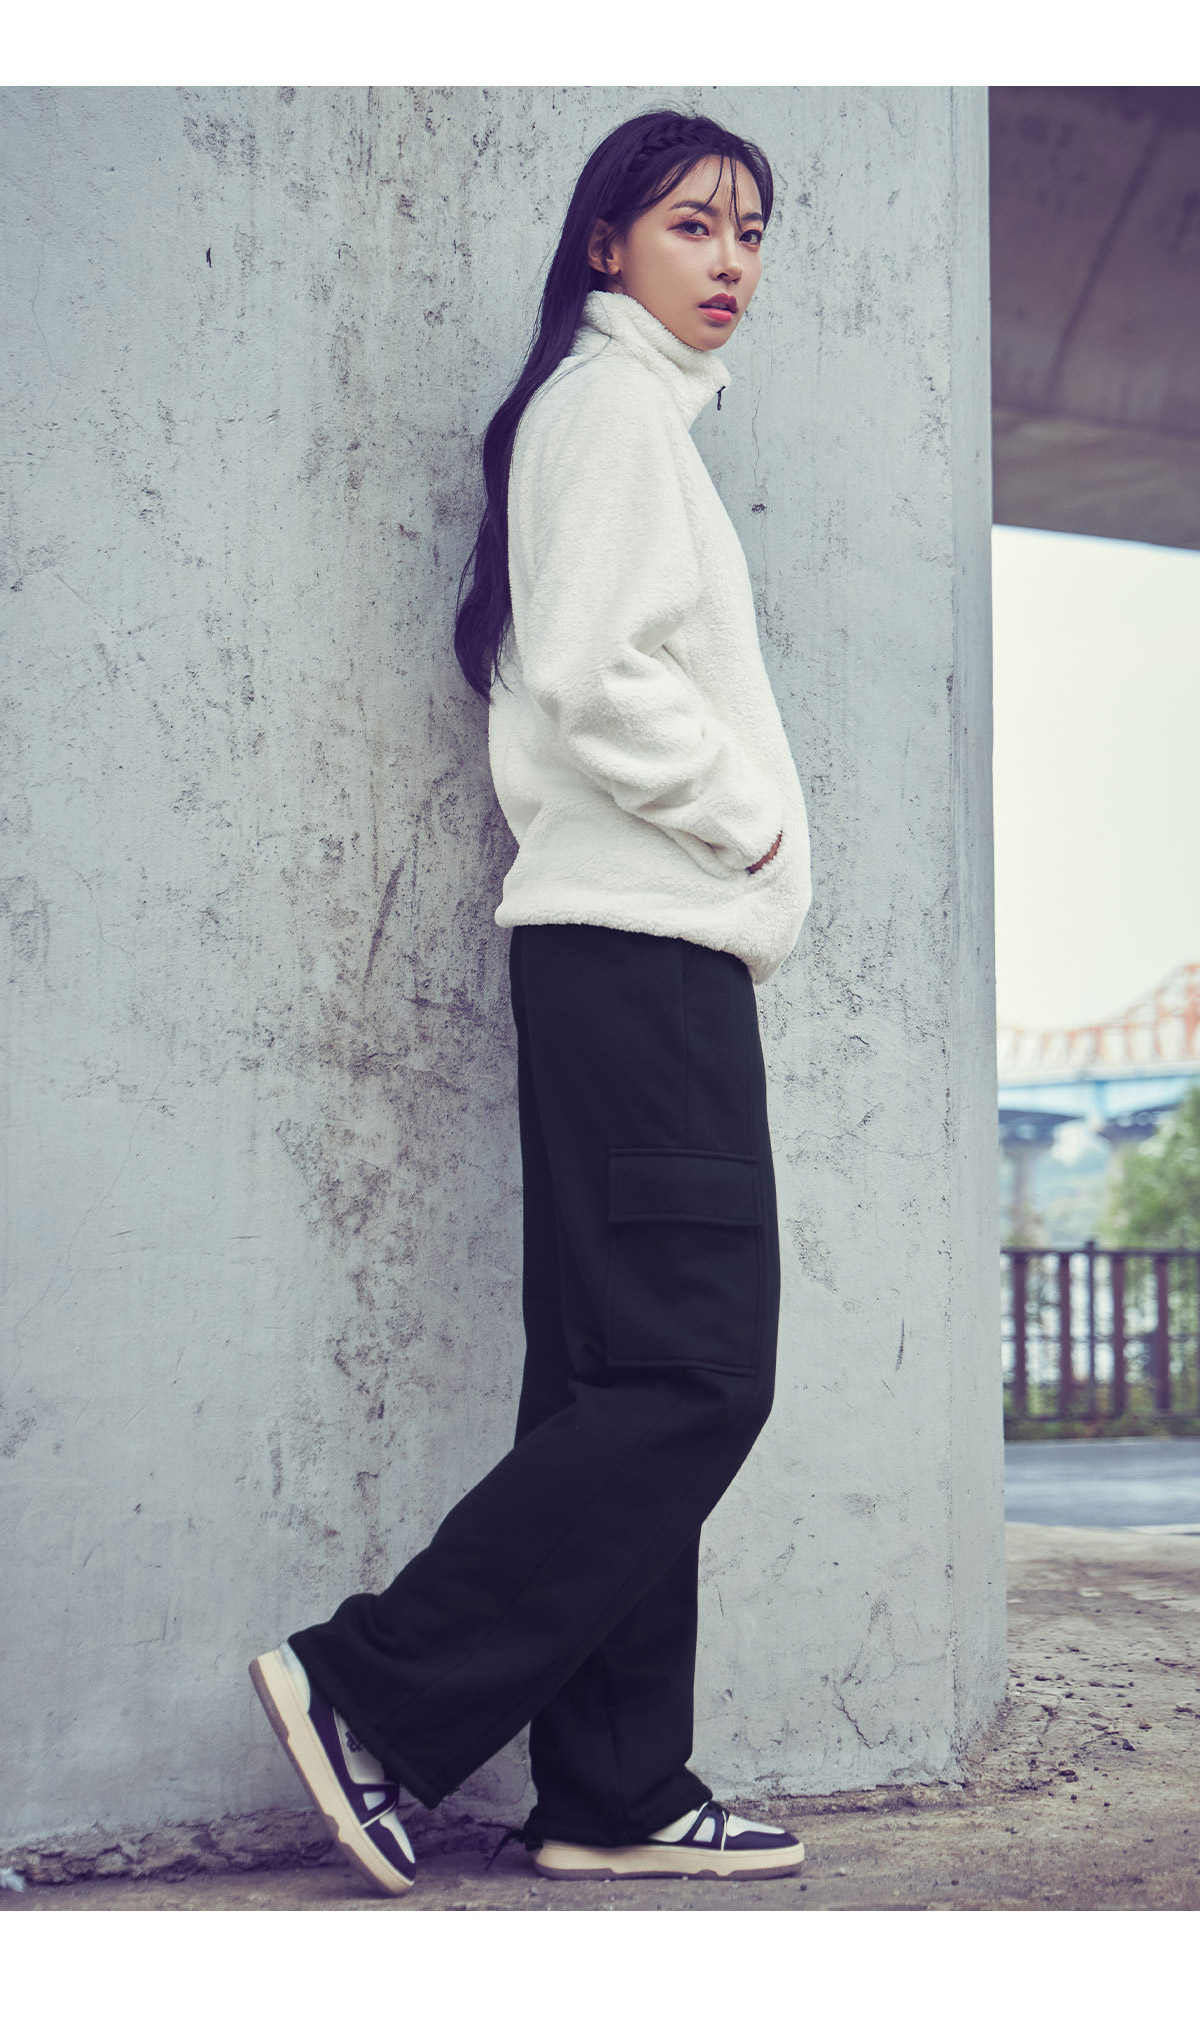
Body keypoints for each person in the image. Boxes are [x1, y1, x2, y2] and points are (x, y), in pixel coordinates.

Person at [250, 105, 813, 1897]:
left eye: (751, 231)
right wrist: (746, 822)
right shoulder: (613, 411)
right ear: (604, 243)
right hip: (645, 944)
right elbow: (587, 670)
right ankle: (370, 1685)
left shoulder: (614, 416)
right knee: (696, 1372)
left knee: (608, 1382)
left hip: (612, 952)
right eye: (692, 225)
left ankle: (613, 1786)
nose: (729, 261)